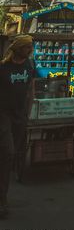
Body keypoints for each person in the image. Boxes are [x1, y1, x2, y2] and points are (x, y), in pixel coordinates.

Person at [0, 34, 35, 219]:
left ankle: (2, 197)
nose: (30, 50)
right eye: (27, 47)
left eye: (31, 47)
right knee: (8, 151)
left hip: (19, 116)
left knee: (8, 159)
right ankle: (2, 200)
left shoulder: (29, 66)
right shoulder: (4, 67)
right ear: (18, 48)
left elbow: (31, 89)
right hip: (3, 114)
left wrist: (28, 112)